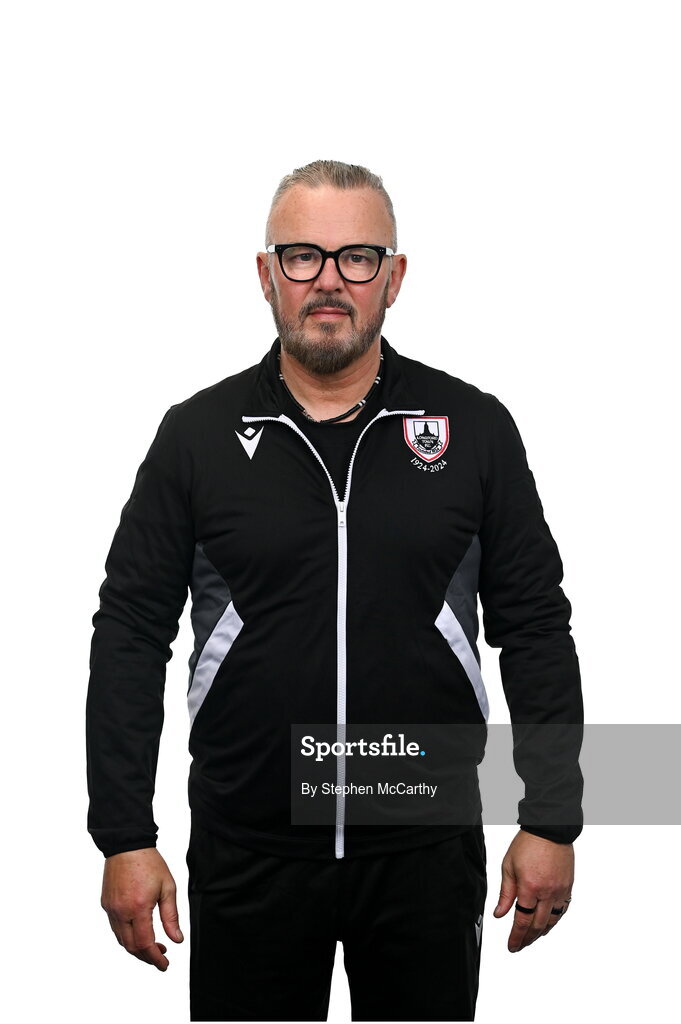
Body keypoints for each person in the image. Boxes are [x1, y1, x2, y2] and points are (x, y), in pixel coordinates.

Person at [86, 159, 583, 1022]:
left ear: (393, 277)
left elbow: (534, 625)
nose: (327, 281)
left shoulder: (473, 430)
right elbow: (130, 632)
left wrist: (552, 818)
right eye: (301, 256)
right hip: (250, 848)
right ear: (264, 275)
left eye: (356, 257)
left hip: (425, 845)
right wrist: (125, 835)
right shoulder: (196, 436)